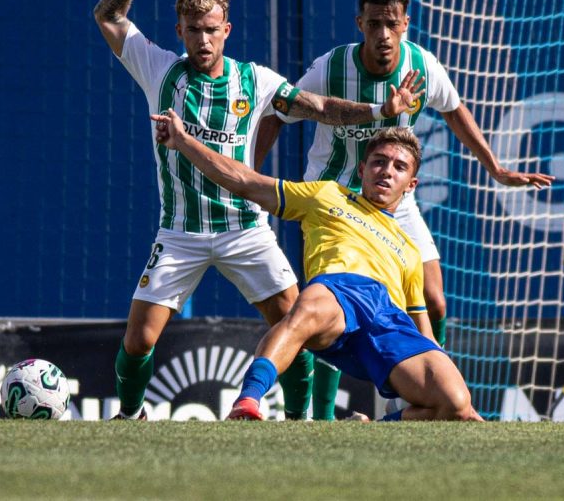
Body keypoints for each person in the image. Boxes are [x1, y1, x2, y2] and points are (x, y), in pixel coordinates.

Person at [93, 0, 424, 421]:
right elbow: (108, 16)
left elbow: (319, 106)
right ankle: (131, 415)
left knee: (299, 326)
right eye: (193, 29)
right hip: (181, 232)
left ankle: (299, 421)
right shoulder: (160, 70)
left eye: (212, 29)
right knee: (140, 338)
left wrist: (380, 110)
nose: (203, 39)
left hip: (246, 230)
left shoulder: (258, 80)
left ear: (227, 29)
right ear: (179, 31)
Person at [254, 0, 553, 420]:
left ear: (405, 25)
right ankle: (321, 419)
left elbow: (454, 110)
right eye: (374, 24)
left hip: (395, 199)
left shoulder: (422, 66)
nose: (383, 35)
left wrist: (495, 168)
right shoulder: (331, 67)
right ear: (360, 24)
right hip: (337, 198)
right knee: (334, 305)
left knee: (434, 301)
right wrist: (252, 172)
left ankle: (421, 391)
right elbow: (279, 113)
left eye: (392, 24)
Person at [156, 111, 481, 422]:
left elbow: (422, 331)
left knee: (456, 404)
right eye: (379, 162)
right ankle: (248, 400)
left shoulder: (410, 249)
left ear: (411, 184)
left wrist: (455, 393)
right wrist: (184, 142)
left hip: (389, 321)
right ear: (363, 169)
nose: (386, 171)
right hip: (339, 291)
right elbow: (245, 182)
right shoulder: (328, 194)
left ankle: (374, 426)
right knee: (309, 306)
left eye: (399, 167)